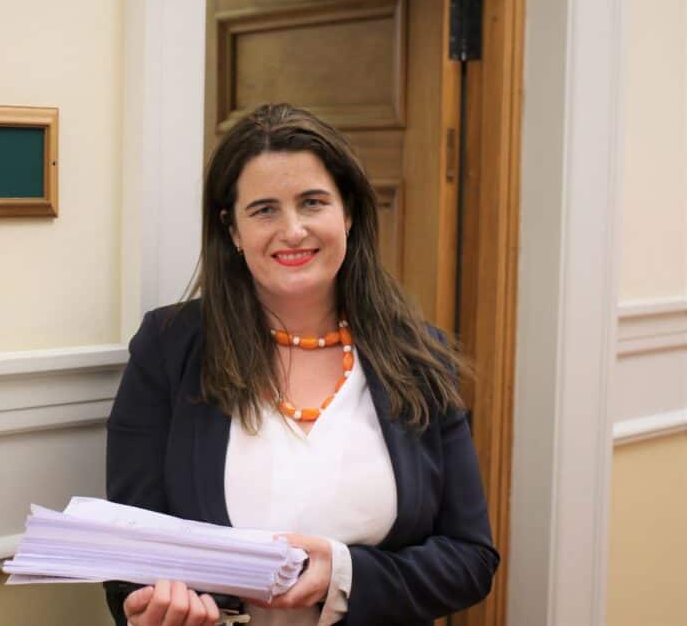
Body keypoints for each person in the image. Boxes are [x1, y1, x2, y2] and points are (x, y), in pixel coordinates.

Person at [105, 104, 498, 626]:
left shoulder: (418, 358)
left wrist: (344, 573)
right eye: (264, 210)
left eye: (312, 203)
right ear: (232, 230)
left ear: (349, 214)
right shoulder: (169, 347)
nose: (293, 231)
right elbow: (127, 551)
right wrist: (152, 606)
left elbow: (470, 559)